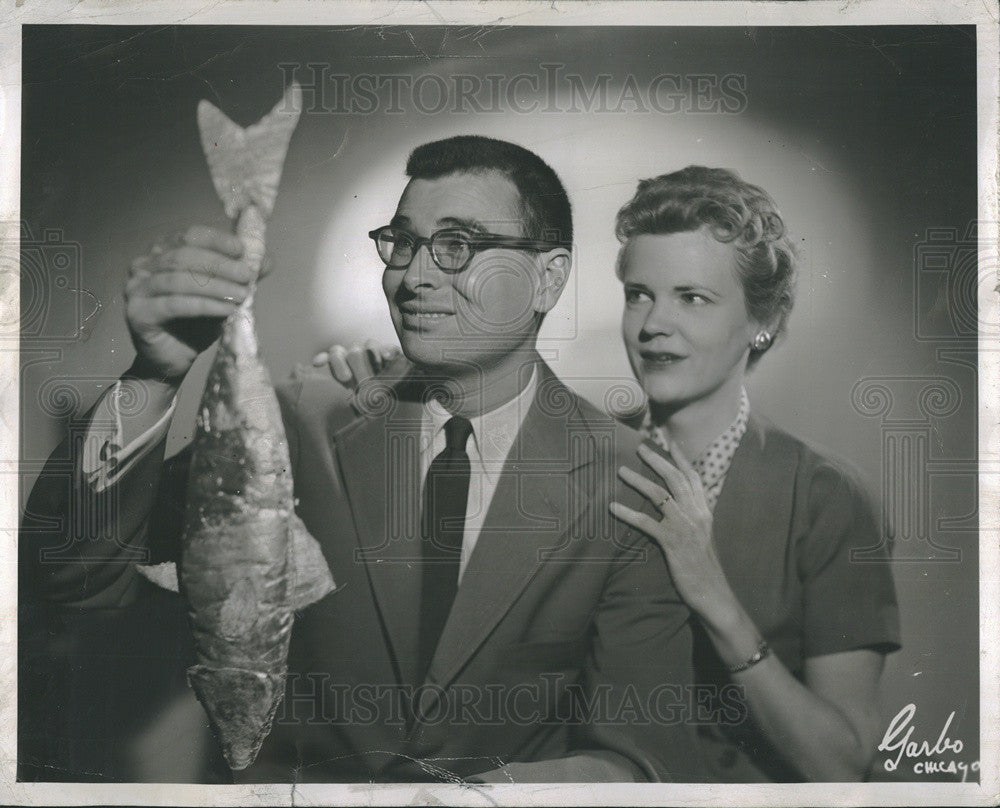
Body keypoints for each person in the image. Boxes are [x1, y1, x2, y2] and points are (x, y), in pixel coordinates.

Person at [20, 136, 712, 783]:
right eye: (401, 243)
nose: (411, 277)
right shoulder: (300, 421)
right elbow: (80, 581)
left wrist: (460, 796)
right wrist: (155, 371)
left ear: (547, 278)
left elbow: (640, 756)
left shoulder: (628, 477)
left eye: (456, 246)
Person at [328, 166, 901, 783]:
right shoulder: (581, 453)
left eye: (693, 298)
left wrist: (716, 602)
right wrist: (397, 392)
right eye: (639, 294)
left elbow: (842, 764)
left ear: (760, 323)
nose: (654, 324)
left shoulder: (824, 496)